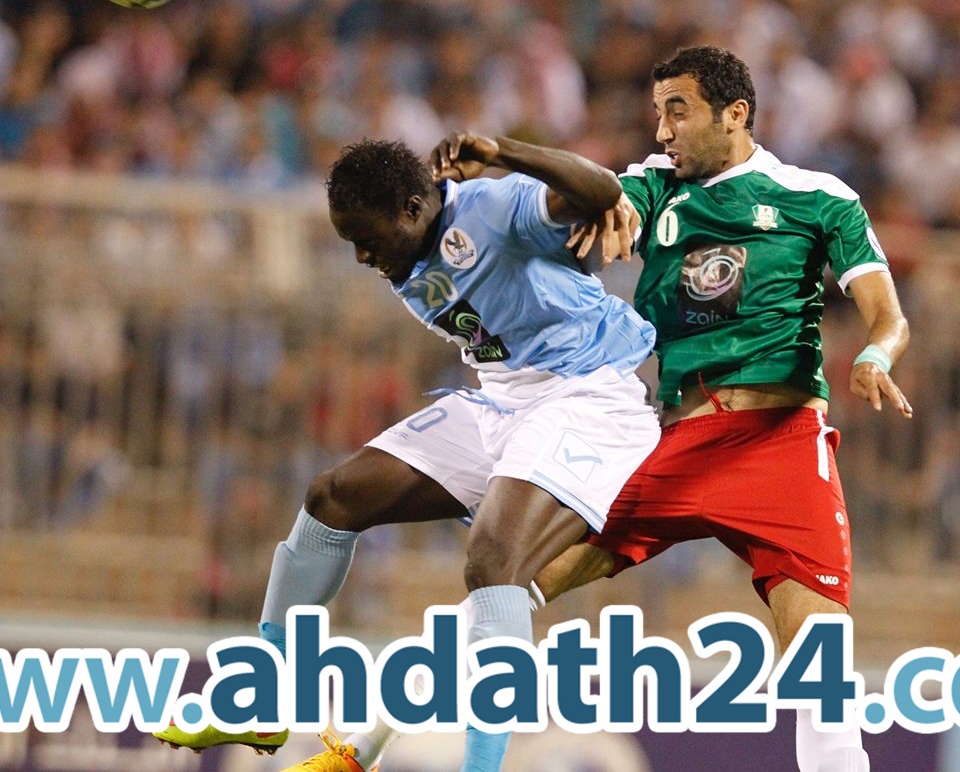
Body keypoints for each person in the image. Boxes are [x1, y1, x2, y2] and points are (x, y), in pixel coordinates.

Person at [289, 44, 914, 772]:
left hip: (780, 448)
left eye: (678, 111)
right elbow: (598, 198)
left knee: (820, 676)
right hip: (674, 445)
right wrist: (599, 209)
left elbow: (887, 315)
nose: (663, 130)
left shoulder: (820, 197)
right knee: (508, 582)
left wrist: (875, 355)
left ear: (735, 114)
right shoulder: (653, 186)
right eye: (657, 113)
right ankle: (361, 749)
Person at [156, 134, 660, 772]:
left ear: (413, 208)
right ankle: (267, 700)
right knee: (332, 497)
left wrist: (503, 152)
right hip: (505, 400)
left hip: (590, 397)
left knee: (494, 563)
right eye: (351, 242)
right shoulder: (407, 252)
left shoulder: (492, 207)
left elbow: (599, 191)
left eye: (368, 238)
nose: (363, 256)